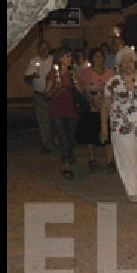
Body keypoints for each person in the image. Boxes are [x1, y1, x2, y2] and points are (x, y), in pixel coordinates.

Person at [101, 47, 137, 203]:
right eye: (124, 62)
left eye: (131, 61)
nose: (128, 64)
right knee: (128, 158)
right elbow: (105, 105)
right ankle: (133, 191)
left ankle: (132, 182)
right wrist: (103, 127)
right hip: (121, 127)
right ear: (119, 65)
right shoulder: (112, 82)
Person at [47, 50, 85, 179]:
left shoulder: (73, 73)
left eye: (70, 56)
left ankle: (68, 155)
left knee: (70, 137)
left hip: (72, 109)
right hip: (57, 109)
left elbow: (81, 90)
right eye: (67, 56)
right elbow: (47, 93)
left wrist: (74, 83)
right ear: (60, 58)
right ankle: (66, 165)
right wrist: (57, 88)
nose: (70, 58)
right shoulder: (54, 73)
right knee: (63, 137)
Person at [80, 48, 115, 172]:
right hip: (92, 107)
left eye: (100, 56)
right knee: (91, 134)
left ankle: (110, 160)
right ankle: (92, 159)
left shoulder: (110, 73)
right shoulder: (86, 73)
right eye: (96, 57)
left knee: (109, 135)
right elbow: (83, 90)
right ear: (92, 58)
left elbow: (114, 89)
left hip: (107, 107)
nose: (99, 59)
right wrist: (92, 101)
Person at [24, 41, 57, 154]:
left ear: (49, 48)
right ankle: (47, 144)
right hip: (39, 95)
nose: (44, 50)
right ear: (38, 49)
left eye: (46, 48)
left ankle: (54, 141)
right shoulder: (34, 61)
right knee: (43, 121)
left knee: (55, 119)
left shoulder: (53, 60)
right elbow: (27, 79)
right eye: (41, 48)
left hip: (54, 94)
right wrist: (32, 76)